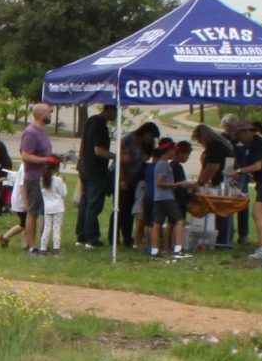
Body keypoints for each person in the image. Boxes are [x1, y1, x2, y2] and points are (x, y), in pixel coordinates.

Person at [228, 120, 262, 261]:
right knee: (260, 214)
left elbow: (258, 166)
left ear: (247, 132)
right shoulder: (251, 144)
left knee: (257, 213)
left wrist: (239, 171)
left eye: (239, 134)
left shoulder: (257, 143)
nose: (239, 138)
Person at [111, 121, 160, 249]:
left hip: (135, 179)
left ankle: (127, 238)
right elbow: (120, 162)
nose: (151, 139)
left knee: (130, 211)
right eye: (151, 136)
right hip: (122, 176)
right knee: (120, 208)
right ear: (145, 132)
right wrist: (121, 180)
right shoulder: (128, 140)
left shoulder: (148, 145)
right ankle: (114, 237)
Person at [75, 104, 115, 248]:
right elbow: (98, 150)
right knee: (94, 204)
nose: (116, 115)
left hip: (85, 167)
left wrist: (81, 161)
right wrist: (115, 156)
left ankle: (81, 235)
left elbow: (83, 143)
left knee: (85, 203)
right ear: (109, 110)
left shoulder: (91, 121)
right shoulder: (101, 126)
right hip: (96, 170)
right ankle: (92, 237)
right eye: (115, 111)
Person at [20, 103, 54, 254]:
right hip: (34, 178)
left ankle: (42, 244)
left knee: (43, 211)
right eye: (49, 112)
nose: (51, 115)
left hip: (44, 177)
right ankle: (32, 246)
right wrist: (46, 160)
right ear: (41, 115)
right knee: (33, 212)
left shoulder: (42, 131)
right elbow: (25, 155)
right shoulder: (31, 132)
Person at [192, 122, 234, 245]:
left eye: (199, 140)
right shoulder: (221, 144)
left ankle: (222, 241)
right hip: (226, 180)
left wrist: (200, 183)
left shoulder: (214, 147)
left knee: (222, 212)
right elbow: (205, 168)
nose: (200, 143)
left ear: (203, 137)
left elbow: (212, 168)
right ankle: (224, 240)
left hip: (223, 182)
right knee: (224, 213)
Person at [151, 140, 192, 259]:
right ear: (168, 151)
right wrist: (176, 185)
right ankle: (178, 249)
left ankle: (155, 249)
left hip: (158, 197)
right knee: (179, 220)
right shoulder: (164, 164)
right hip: (167, 197)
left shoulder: (159, 163)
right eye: (173, 150)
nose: (175, 153)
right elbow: (160, 182)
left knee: (157, 223)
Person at [220, 113, 250, 244]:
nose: (226, 129)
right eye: (225, 126)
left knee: (242, 203)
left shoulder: (241, 139)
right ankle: (228, 233)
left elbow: (245, 157)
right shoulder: (222, 139)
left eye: (228, 126)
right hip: (226, 173)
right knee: (227, 202)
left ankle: (243, 234)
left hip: (241, 174)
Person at [39, 156, 67, 255]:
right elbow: (64, 193)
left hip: (47, 208)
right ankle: (57, 249)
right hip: (58, 208)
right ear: (57, 168)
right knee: (56, 229)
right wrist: (64, 183)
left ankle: (43, 248)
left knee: (47, 228)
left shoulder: (42, 180)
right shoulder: (58, 180)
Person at [0, 165, 27, 249]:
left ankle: (24, 244)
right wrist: (24, 202)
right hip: (20, 200)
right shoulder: (24, 168)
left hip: (20, 199)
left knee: (25, 223)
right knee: (25, 223)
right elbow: (22, 185)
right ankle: (5, 237)